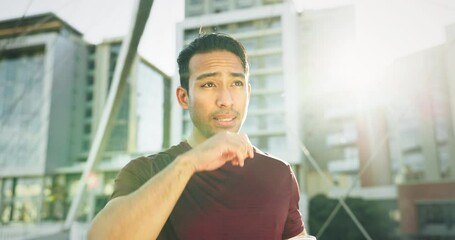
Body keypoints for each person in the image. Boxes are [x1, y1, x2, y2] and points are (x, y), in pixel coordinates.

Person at [88, 33, 308, 239]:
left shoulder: (279, 172)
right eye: (209, 84)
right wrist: (190, 163)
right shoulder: (146, 171)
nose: (226, 100)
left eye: (236, 83)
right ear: (184, 98)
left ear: (248, 93)